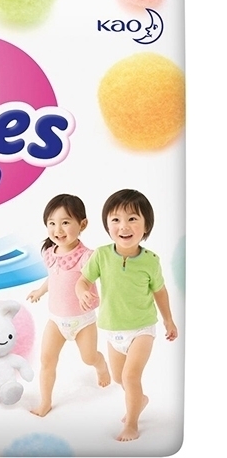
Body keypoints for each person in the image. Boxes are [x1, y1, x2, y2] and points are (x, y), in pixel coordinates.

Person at [75, 189, 178, 442]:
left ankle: (131, 423)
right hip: (113, 330)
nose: (124, 226)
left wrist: (168, 320)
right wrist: (82, 292)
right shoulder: (101, 255)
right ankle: (139, 399)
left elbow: (160, 291)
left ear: (146, 226)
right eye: (116, 220)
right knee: (119, 378)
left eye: (132, 219)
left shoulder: (150, 261)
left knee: (131, 377)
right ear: (107, 225)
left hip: (142, 328)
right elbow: (83, 280)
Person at [27, 194, 110, 417]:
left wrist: (89, 295)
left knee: (88, 357)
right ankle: (45, 402)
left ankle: (101, 365)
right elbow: (54, 277)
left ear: (82, 224)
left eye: (65, 222)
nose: (58, 230)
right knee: (47, 360)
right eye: (52, 223)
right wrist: (40, 291)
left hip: (83, 321)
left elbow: (95, 280)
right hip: (56, 321)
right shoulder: (50, 253)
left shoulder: (87, 257)